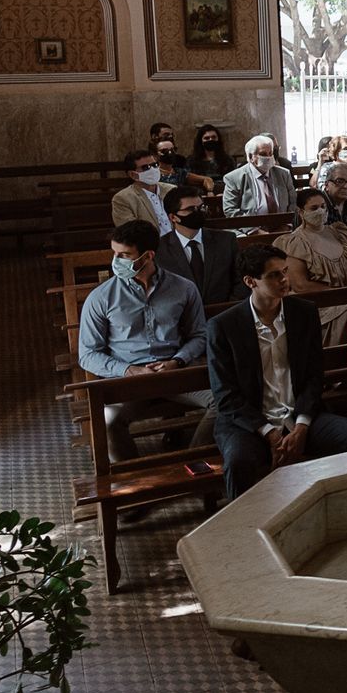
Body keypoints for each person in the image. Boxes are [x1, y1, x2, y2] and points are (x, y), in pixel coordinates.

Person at [208, 244, 347, 500]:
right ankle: (242, 530)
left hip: (299, 415)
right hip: (249, 424)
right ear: (250, 281)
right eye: (274, 275)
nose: (285, 280)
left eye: (285, 271)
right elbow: (226, 396)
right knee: (238, 461)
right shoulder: (223, 326)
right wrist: (269, 432)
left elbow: (313, 377)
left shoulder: (303, 312)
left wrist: (301, 427)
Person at [77, 220, 211, 461]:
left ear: (148, 256)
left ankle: (193, 463)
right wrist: (129, 370)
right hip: (129, 380)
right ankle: (131, 479)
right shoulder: (101, 297)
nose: (116, 260)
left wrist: (178, 361)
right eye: (114, 253)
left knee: (226, 402)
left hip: (175, 372)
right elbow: (87, 354)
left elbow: (200, 334)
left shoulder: (183, 288)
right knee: (109, 422)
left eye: (124, 255)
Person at [274, 187, 347, 344]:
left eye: (323, 207)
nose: (321, 211)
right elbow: (300, 285)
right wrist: (340, 295)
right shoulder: (295, 242)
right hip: (320, 304)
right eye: (314, 208)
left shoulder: (338, 232)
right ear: (301, 212)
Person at [157, 188, 241, 304]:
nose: (198, 212)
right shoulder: (159, 249)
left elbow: (240, 280)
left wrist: (228, 310)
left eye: (201, 207)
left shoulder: (226, 240)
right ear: (173, 217)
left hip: (224, 314)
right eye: (190, 209)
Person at [224, 135, 295, 216]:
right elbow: (230, 210)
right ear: (251, 157)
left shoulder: (284, 174)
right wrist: (254, 229)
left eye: (270, 153)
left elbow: (293, 203)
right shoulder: (234, 178)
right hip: (251, 226)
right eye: (263, 154)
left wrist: (287, 224)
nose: (268, 157)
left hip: (283, 225)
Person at [111, 149, 174, 234]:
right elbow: (130, 232)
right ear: (132, 174)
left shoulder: (172, 190)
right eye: (145, 167)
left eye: (155, 165)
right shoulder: (122, 199)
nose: (152, 169)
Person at [187, 124, 236, 192]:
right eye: (207, 138)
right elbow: (190, 181)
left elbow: (233, 181)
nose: (211, 140)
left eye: (213, 137)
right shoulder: (191, 161)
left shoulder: (228, 160)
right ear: (201, 141)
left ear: (218, 139)